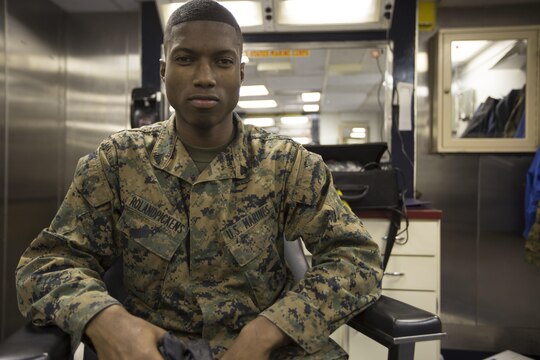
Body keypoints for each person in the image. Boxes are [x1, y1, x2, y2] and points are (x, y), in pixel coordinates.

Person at [15, 0, 382, 359]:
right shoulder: (116, 162)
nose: (205, 77)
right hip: (156, 349)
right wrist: (106, 320)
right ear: (163, 69)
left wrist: (270, 330)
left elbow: (356, 259)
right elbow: (47, 265)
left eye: (222, 61)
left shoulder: (287, 163)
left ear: (240, 73)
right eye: (185, 59)